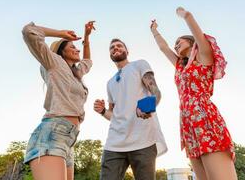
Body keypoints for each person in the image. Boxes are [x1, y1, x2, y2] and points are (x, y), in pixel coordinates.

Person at [150, 7, 237, 180]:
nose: (175, 45)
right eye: (175, 43)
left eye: (179, 41)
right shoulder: (180, 66)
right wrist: (154, 31)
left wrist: (185, 15)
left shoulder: (204, 56)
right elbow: (163, 48)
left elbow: (198, 33)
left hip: (205, 119)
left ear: (191, 42)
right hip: (188, 123)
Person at [22, 20, 95, 180]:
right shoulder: (53, 62)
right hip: (52, 134)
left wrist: (87, 38)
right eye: (72, 47)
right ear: (62, 51)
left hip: (69, 140)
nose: (77, 49)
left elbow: (88, 61)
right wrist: (61, 34)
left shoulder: (76, 73)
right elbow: (29, 32)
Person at [93, 38, 167, 180]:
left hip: (143, 139)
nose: (115, 48)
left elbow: (156, 92)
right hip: (114, 143)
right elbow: (113, 115)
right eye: (112, 47)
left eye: (119, 46)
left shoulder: (139, 65)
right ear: (110, 54)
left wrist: (148, 108)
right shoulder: (110, 83)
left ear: (127, 51)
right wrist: (103, 111)